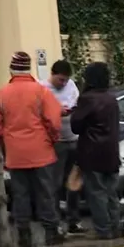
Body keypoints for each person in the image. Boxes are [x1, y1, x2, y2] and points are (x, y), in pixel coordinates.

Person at [0, 51, 63, 247]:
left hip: (15, 154)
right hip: (41, 151)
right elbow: (54, 121)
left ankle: (24, 233)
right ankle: (51, 232)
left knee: (20, 194)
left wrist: (3, 144)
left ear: (12, 70)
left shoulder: (2, 93)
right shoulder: (41, 91)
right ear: (28, 69)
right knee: (46, 191)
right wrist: (52, 139)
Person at [70, 62, 122, 239]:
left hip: (92, 153)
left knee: (96, 193)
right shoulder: (111, 99)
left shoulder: (87, 99)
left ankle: (103, 230)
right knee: (111, 193)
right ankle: (115, 227)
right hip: (111, 152)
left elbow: (76, 126)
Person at [41, 60, 83, 234]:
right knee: (55, 183)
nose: (64, 83)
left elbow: (78, 103)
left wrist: (72, 110)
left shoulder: (72, 86)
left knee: (73, 182)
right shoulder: (42, 88)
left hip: (73, 138)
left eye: (66, 80)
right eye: (60, 80)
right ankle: (55, 222)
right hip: (56, 142)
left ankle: (74, 220)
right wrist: (57, 111)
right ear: (52, 74)